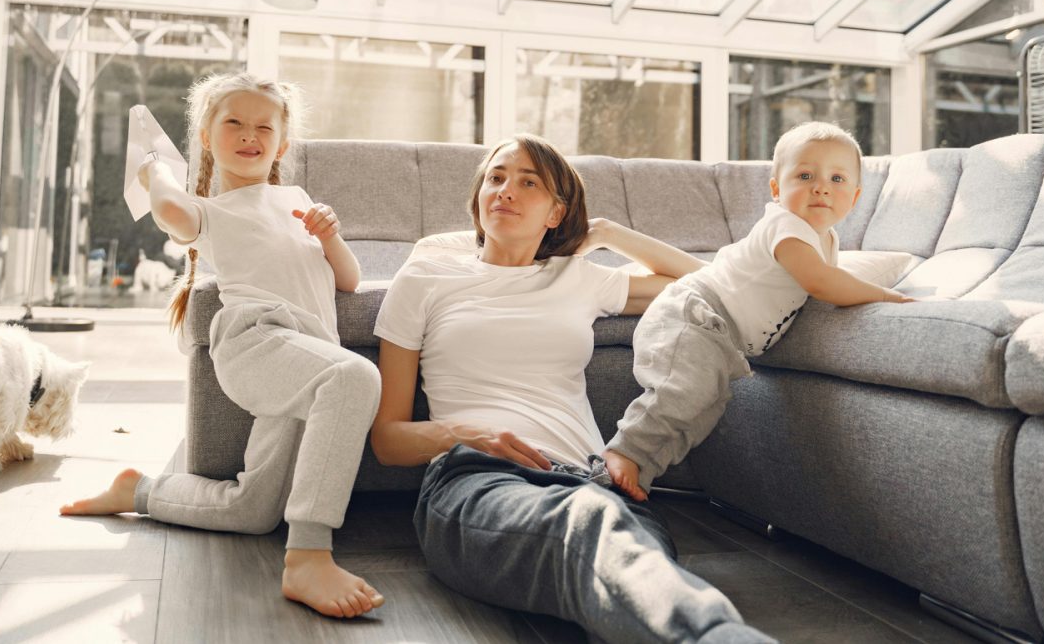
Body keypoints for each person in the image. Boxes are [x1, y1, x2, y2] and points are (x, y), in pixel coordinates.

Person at [371, 133, 773, 644]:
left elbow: (711, 280)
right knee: (591, 532)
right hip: (479, 481)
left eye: (527, 182)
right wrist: (465, 434)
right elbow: (387, 439)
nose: (505, 190)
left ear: (556, 213)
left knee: (622, 573)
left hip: (596, 483)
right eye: (495, 178)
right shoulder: (425, 277)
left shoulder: (579, 277)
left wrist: (605, 231)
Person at [60, 72, 385, 620]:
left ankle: (137, 491)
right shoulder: (209, 211)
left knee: (253, 510)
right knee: (355, 377)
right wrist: (156, 169)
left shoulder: (297, 198)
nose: (249, 134)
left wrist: (331, 236)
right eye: (233, 122)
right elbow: (169, 213)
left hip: (309, 359)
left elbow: (348, 281)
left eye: (264, 126)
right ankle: (308, 554)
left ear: (282, 144)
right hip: (258, 344)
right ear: (207, 137)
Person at [605, 121, 914, 502]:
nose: (821, 186)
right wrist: (886, 297)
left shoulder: (827, 239)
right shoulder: (787, 226)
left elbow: (823, 280)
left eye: (837, 178)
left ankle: (641, 469)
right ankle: (624, 452)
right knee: (684, 392)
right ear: (776, 189)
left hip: (720, 334)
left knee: (704, 406)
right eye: (805, 175)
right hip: (695, 313)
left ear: (855, 197)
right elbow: (821, 282)